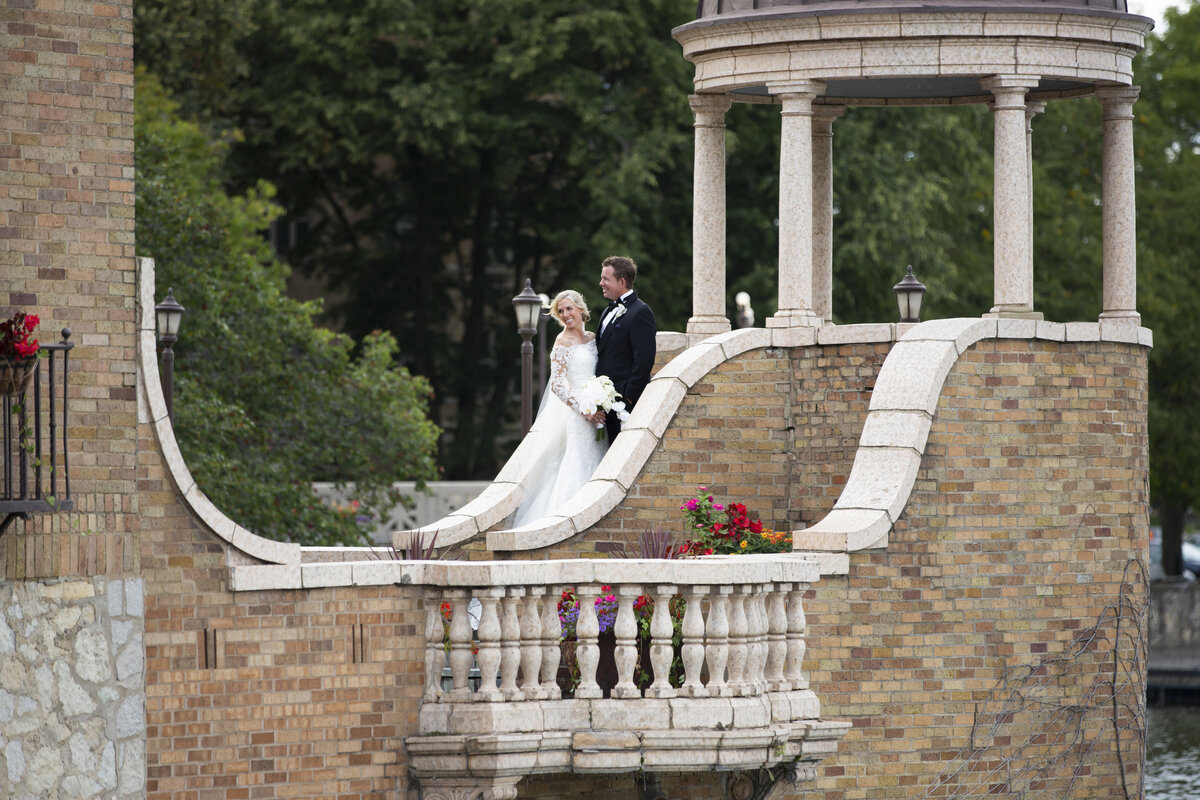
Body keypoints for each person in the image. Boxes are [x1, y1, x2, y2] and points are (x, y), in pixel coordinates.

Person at [512, 290, 609, 527]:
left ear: (580, 308)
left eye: (569, 309)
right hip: (579, 415)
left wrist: (602, 398)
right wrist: (584, 410)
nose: (566, 315)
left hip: (600, 411)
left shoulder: (593, 338)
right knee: (579, 460)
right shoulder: (562, 341)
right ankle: (568, 520)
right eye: (561, 311)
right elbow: (556, 384)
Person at [594, 255, 656, 443]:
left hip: (624, 405)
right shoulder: (607, 310)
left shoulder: (640, 312)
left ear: (621, 281)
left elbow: (644, 359)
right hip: (603, 404)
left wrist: (627, 398)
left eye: (606, 279)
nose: (601, 283)